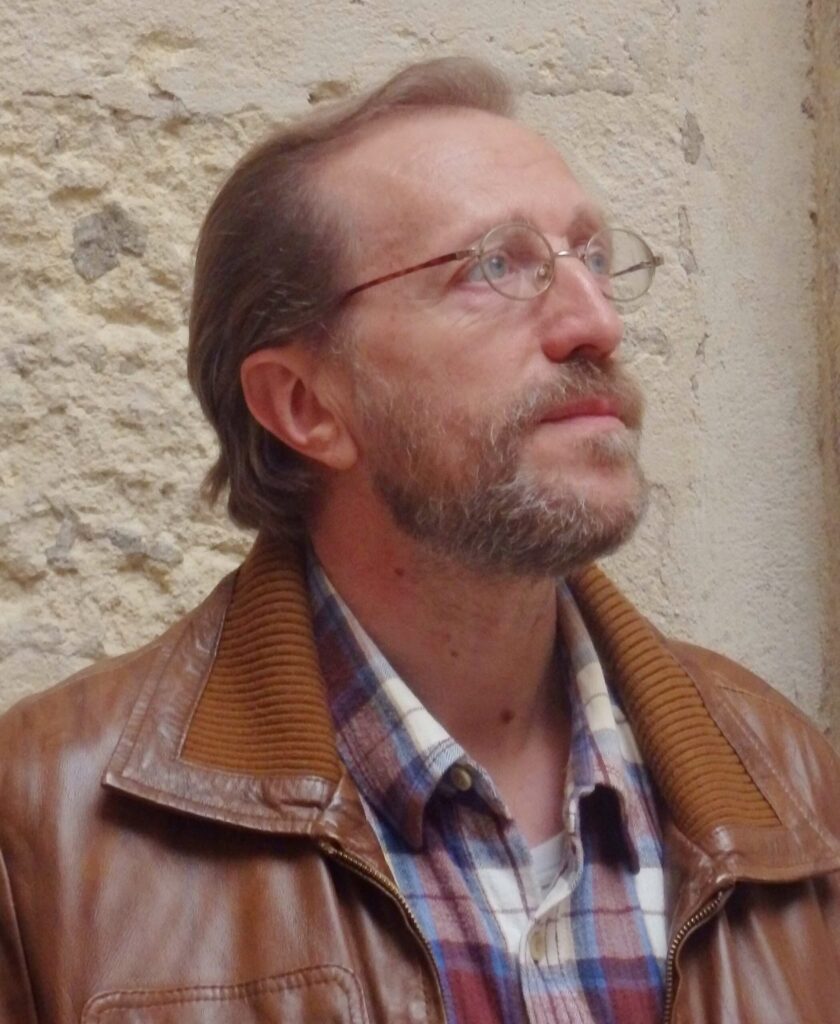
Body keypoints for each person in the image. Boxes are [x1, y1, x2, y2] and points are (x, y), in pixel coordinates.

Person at [1, 56, 838, 1024]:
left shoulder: (790, 782)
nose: (597, 323)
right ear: (305, 405)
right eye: (495, 266)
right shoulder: (43, 830)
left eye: (594, 258)